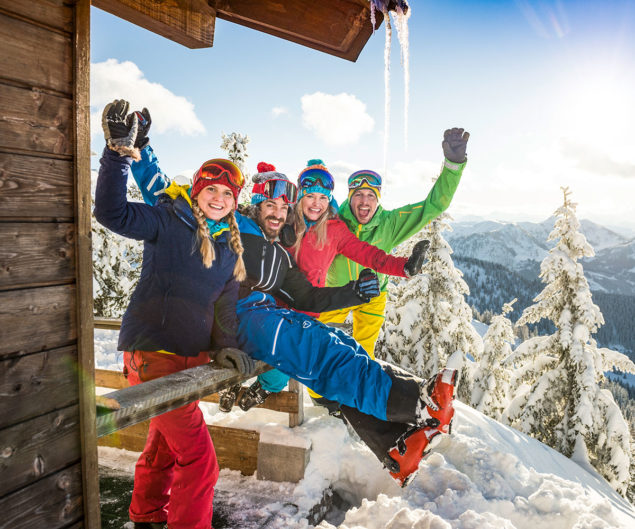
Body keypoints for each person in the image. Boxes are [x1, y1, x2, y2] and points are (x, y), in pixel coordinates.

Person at [125, 104, 458, 486]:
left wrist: (354, 291)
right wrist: (141, 150)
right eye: (272, 204)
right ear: (256, 204)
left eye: (283, 207)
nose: (278, 212)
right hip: (236, 319)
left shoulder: (279, 254)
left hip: (266, 314)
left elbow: (308, 298)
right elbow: (171, 201)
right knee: (315, 348)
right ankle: (415, 401)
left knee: (336, 342)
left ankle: (398, 445)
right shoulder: (232, 224)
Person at [94, 100, 256, 529]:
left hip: (188, 364)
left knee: (164, 449)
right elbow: (111, 213)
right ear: (197, 192)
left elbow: (223, 308)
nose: (219, 199)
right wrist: (116, 155)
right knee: (201, 462)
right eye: (211, 190)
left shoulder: (227, 250)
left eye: (227, 194)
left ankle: (145, 517)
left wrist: (226, 349)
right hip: (152, 357)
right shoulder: (169, 220)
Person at [235, 159, 430, 412]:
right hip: (267, 307)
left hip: (306, 304)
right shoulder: (284, 222)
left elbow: (369, 254)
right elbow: (255, 221)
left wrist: (403, 267)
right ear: (300, 198)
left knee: (285, 370)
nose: (316, 203)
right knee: (288, 359)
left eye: (323, 198)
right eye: (310, 196)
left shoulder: (335, 230)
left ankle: (267, 392)